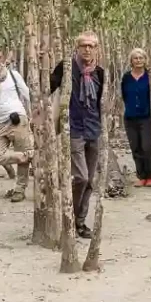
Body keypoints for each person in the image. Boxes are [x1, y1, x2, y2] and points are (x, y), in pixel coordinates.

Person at [50, 31, 104, 239]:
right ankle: (69, 217)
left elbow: (101, 100)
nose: (87, 49)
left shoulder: (100, 72)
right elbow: (48, 87)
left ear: (96, 49)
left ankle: (80, 223)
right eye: (83, 45)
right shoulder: (65, 67)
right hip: (73, 129)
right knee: (80, 177)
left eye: (91, 46)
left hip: (94, 129)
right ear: (77, 47)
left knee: (90, 179)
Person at [0, 49, 32, 203]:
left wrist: (37, 114)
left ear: (3, 59)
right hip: (0, 123)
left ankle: (20, 190)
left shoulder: (13, 75)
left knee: (22, 150)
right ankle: (28, 156)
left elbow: (27, 93)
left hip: (18, 119)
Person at [121, 48, 151, 187]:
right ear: (131, 61)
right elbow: (124, 94)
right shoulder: (126, 77)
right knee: (136, 147)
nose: (138, 60)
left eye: (141, 58)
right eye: (135, 58)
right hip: (130, 117)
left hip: (147, 117)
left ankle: (150, 175)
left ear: (145, 60)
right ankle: (141, 176)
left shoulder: (150, 76)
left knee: (147, 146)